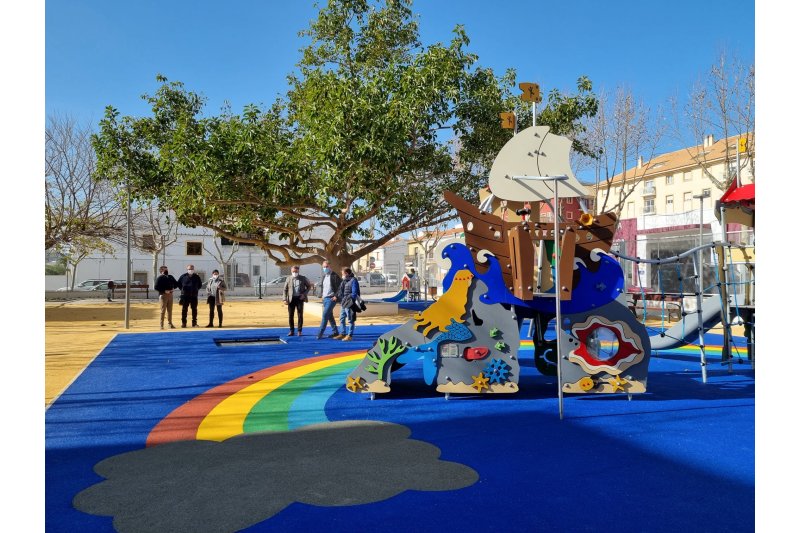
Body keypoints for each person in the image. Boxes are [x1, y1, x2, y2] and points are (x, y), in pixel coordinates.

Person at [317, 260, 342, 339]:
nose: (325, 268)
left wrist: (336, 296)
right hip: (325, 299)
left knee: (325, 315)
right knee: (330, 316)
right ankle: (335, 332)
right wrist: (321, 295)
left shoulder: (335, 276)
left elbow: (341, 287)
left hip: (331, 299)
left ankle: (320, 333)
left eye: (326, 267)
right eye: (324, 267)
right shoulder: (324, 276)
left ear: (330, 267)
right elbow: (323, 287)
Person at [283, 265, 311, 336]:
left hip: (299, 299)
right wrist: (284, 299)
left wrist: (304, 294)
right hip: (291, 299)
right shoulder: (288, 278)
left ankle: (299, 331)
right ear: (291, 271)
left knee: (300, 315)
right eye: (293, 271)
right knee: (290, 315)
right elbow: (285, 289)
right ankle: (291, 331)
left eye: (296, 271)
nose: (294, 273)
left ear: (298, 271)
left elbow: (309, 286)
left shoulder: (303, 278)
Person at [336, 267, 360, 341]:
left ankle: (349, 335)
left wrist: (349, 300)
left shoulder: (354, 280)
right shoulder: (344, 281)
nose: (342, 275)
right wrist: (338, 297)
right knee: (342, 318)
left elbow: (354, 293)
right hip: (344, 302)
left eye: (343, 274)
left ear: (346, 273)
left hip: (349, 303)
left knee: (350, 319)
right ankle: (342, 333)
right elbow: (341, 291)